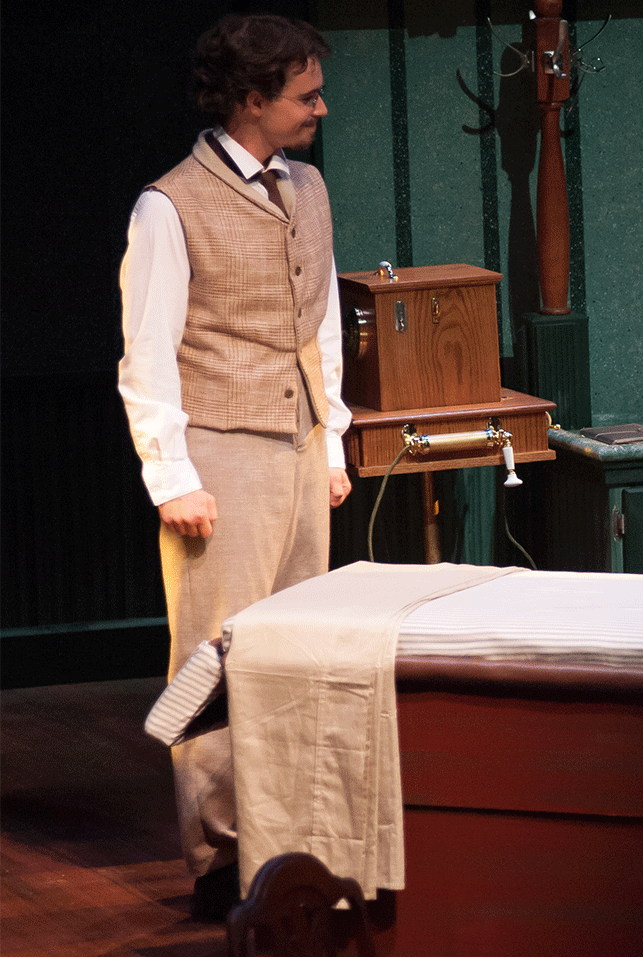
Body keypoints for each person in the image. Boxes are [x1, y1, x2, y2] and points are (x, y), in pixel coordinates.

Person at [117, 13, 350, 921]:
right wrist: (171, 473)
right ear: (252, 100)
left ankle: (287, 840)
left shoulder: (309, 186)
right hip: (220, 448)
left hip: (296, 445)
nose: (320, 109)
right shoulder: (169, 204)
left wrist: (329, 439)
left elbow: (319, 319)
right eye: (305, 95)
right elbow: (146, 350)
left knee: (294, 653)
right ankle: (219, 856)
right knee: (216, 656)